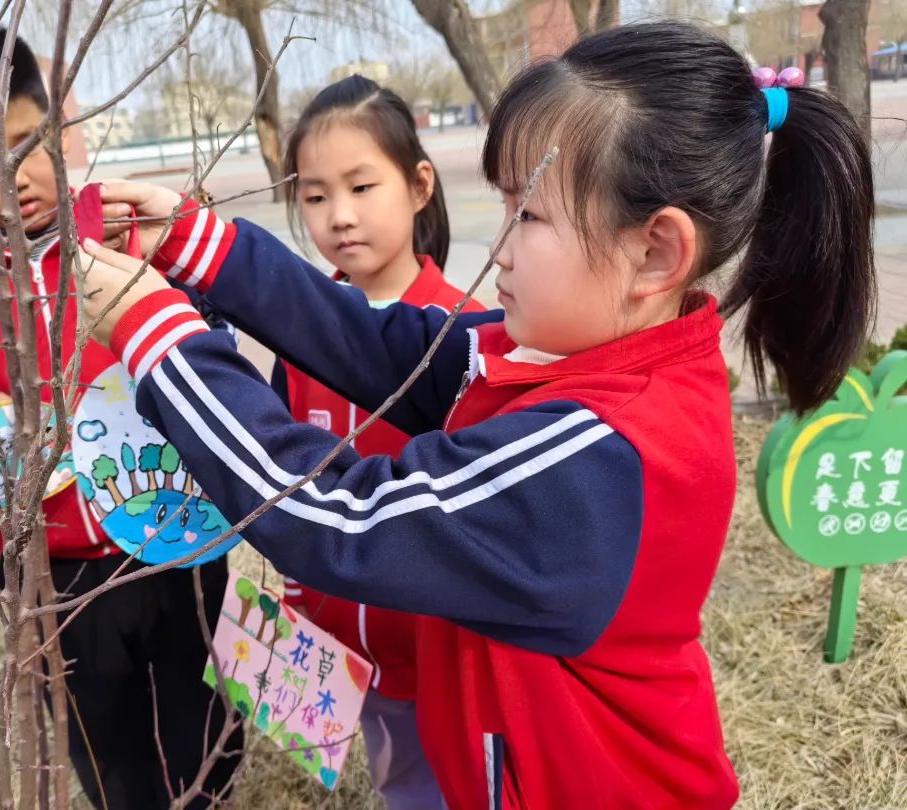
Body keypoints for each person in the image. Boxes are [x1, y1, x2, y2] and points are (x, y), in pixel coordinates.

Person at [79, 21, 874, 808]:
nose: (497, 251)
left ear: (657, 253)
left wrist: (157, 334)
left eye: (527, 218)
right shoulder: (578, 356)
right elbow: (387, 343)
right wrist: (197, 243)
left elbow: (336, 517)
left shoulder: (601, 454)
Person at [0, 28, 240, 809]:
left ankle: (211, 790)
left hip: (173, 533)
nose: (10, 173)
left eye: (27, 142)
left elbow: (212, 342)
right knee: (102, 733)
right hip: (53, 564)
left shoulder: (130, 229)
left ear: (58, 129)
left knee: (194, 703)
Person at [269, 74, 484, 809]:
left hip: (440, 649)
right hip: (337, 645)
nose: (340, 217)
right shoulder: (294, 332)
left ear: (420, 185)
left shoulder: (469, 336)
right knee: (398, 778)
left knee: (459, 783)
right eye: (317, 195)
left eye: (362, 187)